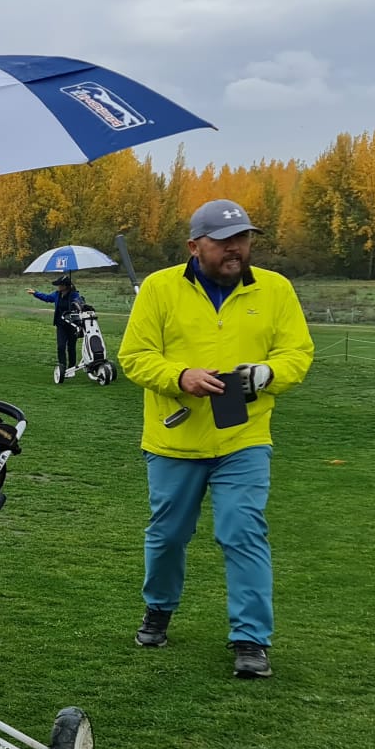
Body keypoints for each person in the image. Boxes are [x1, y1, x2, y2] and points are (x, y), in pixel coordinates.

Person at [116, 199, 315, 679]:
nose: (236, 250)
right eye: (224, 241)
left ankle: (251, 640)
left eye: (243, 239)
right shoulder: (160, 289)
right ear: (194, 246)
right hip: (175, 438)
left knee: (242, 531)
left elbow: (298, 353)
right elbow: (134, 356)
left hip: (244, 438)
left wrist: (268, 373)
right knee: (168, 536)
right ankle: (158, 609)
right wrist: (179, 375)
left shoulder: (276, 289)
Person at [30, 275, 88, 377]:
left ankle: (71, 369)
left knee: (71, 347)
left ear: (66, 286)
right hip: (60, 324)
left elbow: (80, 302)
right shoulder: (57, 294)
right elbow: (47, 298)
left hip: (72, 324)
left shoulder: (74, 295)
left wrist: (76, 303)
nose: (58, 287)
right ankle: (62, 368)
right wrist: (35, 293)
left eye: (60, 285)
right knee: (61, 347)